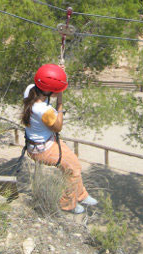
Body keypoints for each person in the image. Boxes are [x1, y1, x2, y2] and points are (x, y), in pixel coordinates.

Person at [21, 64, 98, 214]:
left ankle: (81, 195)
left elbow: (47, 78)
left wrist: (59, 72)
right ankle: (67, 204)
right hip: (44, 149)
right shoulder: (44, 110)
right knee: (73, 169)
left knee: (73, 162)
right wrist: (60, 104)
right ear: (49, 91)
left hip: (39, 143)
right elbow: (58, 127)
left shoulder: (30, 89)